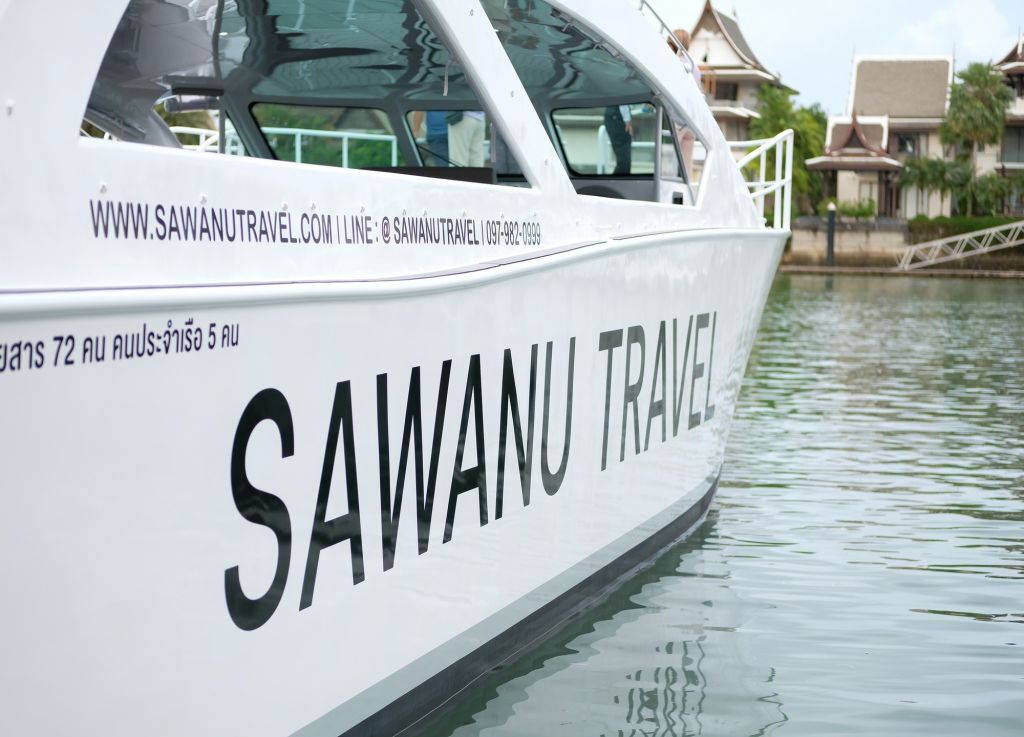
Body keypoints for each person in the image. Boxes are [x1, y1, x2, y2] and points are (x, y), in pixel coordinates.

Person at [603, 105, 632, 175]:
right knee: (624, 163)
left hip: (615, 115)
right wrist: (627, 120)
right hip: (617, 116)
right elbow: (623, 101)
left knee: (624, 162)